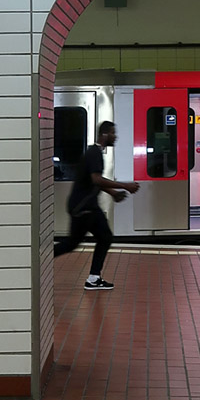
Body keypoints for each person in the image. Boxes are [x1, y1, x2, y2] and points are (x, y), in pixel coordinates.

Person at [54, 121, 139, 291]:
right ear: (105, 134)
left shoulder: (94, 152)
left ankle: (93, 278)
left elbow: (94, 182)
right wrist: (125, 186)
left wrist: (113, 193)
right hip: (84, 208)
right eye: (114, 133)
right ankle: (92, 277)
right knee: (97, 238)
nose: (116, 137)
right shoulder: (95, 154)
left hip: (83, 206)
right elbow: (96, 179)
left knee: (80, 241)